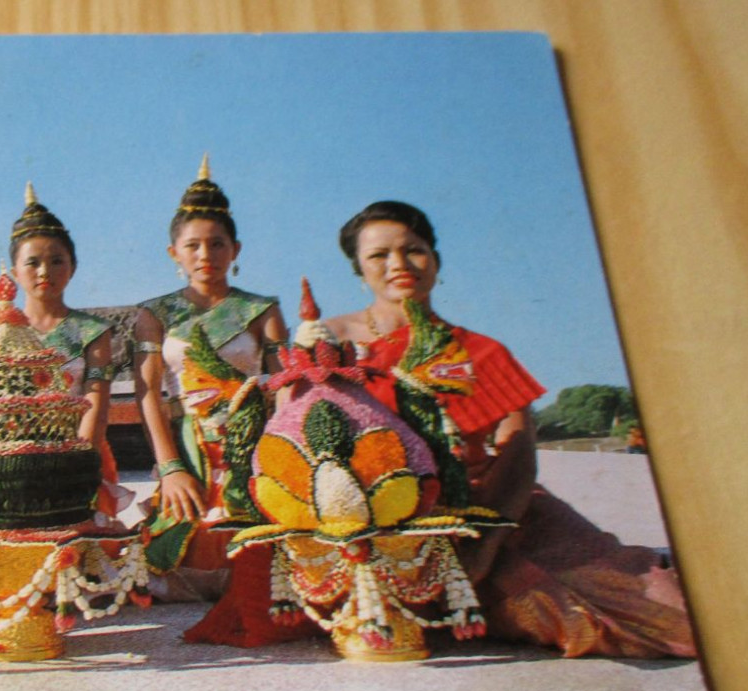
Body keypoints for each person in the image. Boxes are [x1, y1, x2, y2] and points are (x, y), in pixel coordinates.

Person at [321, 200, 695, 658]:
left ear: (435, 261)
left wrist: (486, 547)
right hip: (368, 520)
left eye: (414, 250)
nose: (399, 264)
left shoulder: (482, 352)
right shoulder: (330, 343)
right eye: (379, 255)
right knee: (529, 600)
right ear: (358, 269)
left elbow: (518, 458)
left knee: (658, 608)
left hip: (489, 511)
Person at [133, 157, 288, 599]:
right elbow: (148, 394)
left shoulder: (262, 310)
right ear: (174, 254)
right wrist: (170, 467)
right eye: (194, 246)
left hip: (253, 444)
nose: (206, 256)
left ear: (235, 250)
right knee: (181, 552)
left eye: (218, 244)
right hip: (188, 445)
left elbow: (284, 391)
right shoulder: (155, 313)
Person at [6, 184, 132, 525]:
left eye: (56, 261)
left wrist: (77, 465)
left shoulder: (93, 333)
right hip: (15, 461)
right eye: (33, 263)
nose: (45, 271)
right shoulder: (3, 332)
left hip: (80, 457)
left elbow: (96, 405)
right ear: (15, 272)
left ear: (72, 267)